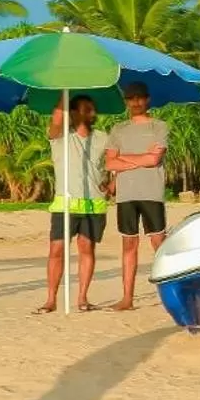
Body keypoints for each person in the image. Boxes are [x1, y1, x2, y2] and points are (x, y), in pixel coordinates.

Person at [103, 82, 168, 310]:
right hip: (126, 195)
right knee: (128, 244)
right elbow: (110, 162)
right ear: (126, 101)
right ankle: (127, 298)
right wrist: (142, 158)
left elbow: (154, 160)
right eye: (131, 98)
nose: (136, 102)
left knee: (159, 243)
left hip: (151, 192)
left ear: (147, 99)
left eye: (140, 98)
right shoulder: (118, 129)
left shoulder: (159, 127)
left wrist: (125, 160)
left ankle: (168, 293)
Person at [40, 94, 105, 313]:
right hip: (64, 204)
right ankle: (51, 299)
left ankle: (83, 298)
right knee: (56, 250)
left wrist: (112, 185)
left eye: (93, 109)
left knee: (87, 248)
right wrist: (62, 90)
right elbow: (57, 119)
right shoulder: (60, 138)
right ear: (74, 112)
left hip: (93, 204)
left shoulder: (103, 138)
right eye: (87, 109)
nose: (92, 113)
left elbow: (117, 159)